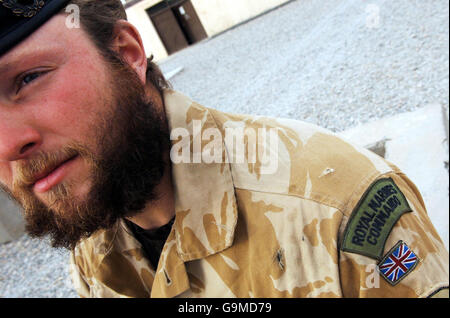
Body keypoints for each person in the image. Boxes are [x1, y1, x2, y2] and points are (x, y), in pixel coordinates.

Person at [0, 0, 448, 298]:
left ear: (126, 53)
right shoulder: (92, 239)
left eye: (27, 78)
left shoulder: (338, 211)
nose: (7, 144)